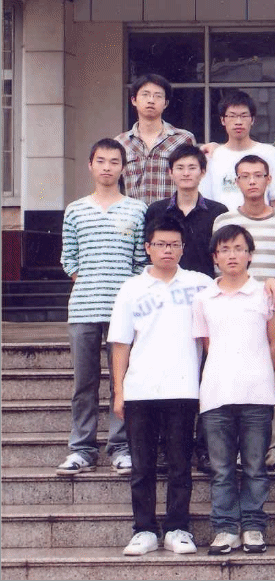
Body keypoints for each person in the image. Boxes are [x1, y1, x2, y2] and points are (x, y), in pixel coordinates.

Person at [108, 216, 212, 557]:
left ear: (183, 248)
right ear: (148, 248)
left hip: (184, 388)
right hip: (141, 389)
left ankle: (178, 528)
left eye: (174, 244)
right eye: (161, 244)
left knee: (181, 465)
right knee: (142, 467)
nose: (168, 250)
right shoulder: (131, 289)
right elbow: (120, 343)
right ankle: (144, 530)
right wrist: (119, 391)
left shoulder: (199, 284)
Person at [194, 225, 275, 555]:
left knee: (256, 466)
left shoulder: (266, 294)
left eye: (238, 248)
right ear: (215, 257)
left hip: (257, 394)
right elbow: (207, 345)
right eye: (224, 249)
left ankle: (254, 527)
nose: (232, 255)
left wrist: (256, 372)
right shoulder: (203, 298)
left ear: (250, 255)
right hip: (216, 393)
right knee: (221, 469)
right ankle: (225, 528)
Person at [58, 139, 144, 476]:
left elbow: (140, 261)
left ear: (123, 168)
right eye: (101, 161)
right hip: (83, 309)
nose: (107, 167)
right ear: (90, 165)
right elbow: (69, 259)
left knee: (122, 382)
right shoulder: (75, 210)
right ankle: (82, 449)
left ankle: (121, 447)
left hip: (124, 312)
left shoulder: (136, 210)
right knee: (84, 383)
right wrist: (92, 283)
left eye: (114, 161)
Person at [211, 156, 275, 471]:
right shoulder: (225, 220)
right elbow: (217, 270)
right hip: (235, 321)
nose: (252, 181)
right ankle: (240, 450)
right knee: (237, 389)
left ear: (269, 180)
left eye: (259, 175)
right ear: (237, 182)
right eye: (245, 176)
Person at [144, 144, 228, 275]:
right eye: (180, 168)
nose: (186, 173)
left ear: (203, 172)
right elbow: (149, 254)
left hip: (206, 283)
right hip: (165, 283)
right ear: (170, 172)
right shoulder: (156, 211)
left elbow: (224, 253)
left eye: (192, 168)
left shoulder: (218, 212)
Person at [117, 74, 198, 205]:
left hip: (172, 215)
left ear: (165, 103)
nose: (151, 100)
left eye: (158, 96)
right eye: (145, 94)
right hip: (134, 215)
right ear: (133, 100)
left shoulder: (184, 139)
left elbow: (195, 181)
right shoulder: (121, 142)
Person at [202, 91, 275, 210]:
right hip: (222, 221)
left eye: (244, 116)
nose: (238, 122)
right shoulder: (211, 157)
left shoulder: (271, 153)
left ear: (252, 120)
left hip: (260, 221)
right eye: (232, 116)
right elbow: (206, 201)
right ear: (223, 120)